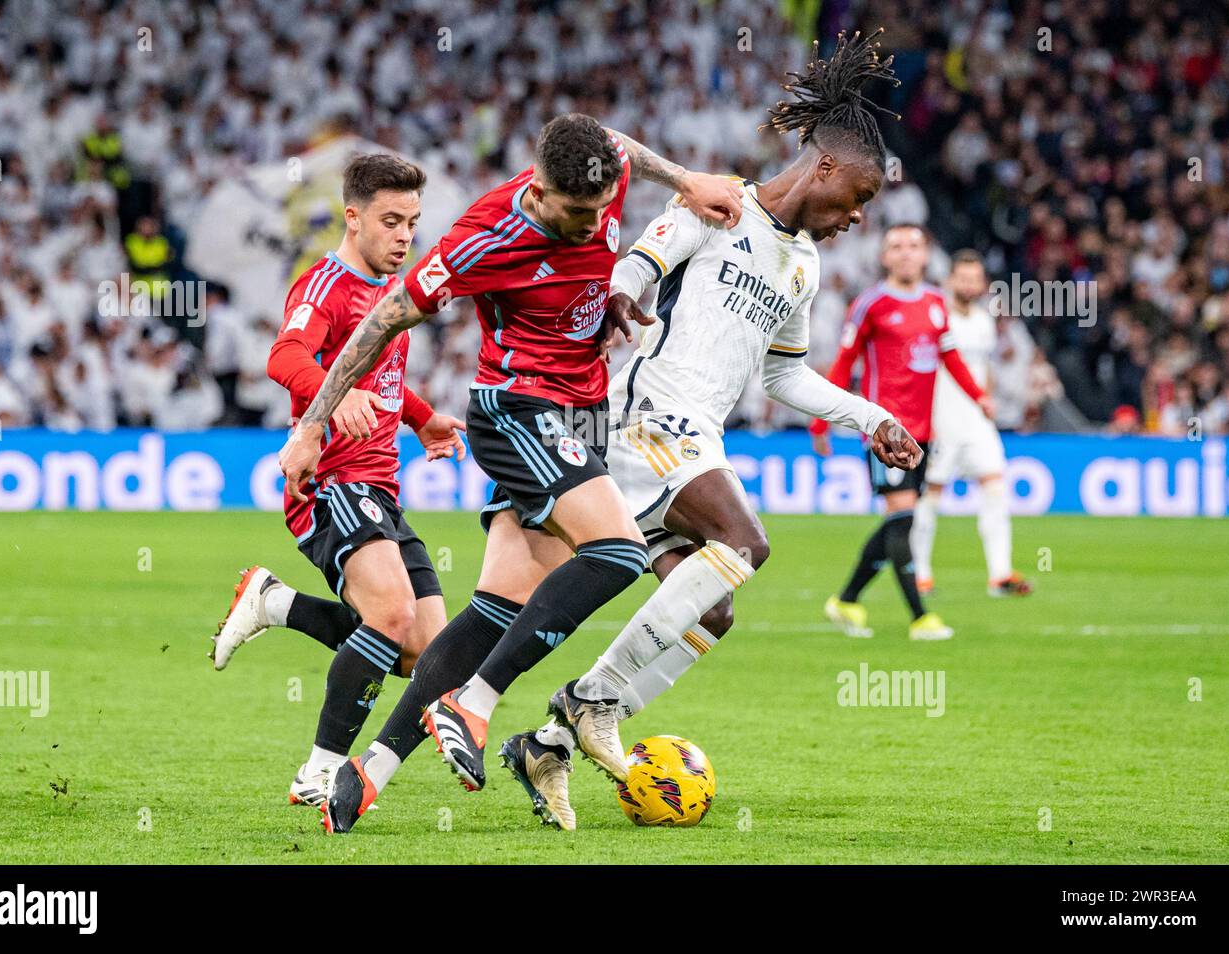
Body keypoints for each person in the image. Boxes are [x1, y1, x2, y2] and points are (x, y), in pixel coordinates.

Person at [274, 113, 744, 833]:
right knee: (616, 553)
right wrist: (311, 425)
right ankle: (475, 702)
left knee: (498, 605)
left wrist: (686, 181)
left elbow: (620, 144)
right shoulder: (482, 239)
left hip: (585, 411)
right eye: (576, 213)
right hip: (516, 407)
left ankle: (369, 773)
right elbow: (383, 322)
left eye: (601, 209)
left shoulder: (603, 176)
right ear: (540, 190)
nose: (592, 226)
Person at [504, 30, 923, 829]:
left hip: (697, 437)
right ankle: (588, 699)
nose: (858, 216)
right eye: (858, 197)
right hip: (646, 414)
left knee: (713, 613)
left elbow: (781, 374)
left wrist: (870, 417)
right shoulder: (720, 202)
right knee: (747, 541)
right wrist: (625, 294)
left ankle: (551, 743)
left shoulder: (805, 266)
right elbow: (641, 259)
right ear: (825, 168)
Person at [210, 154, 466, 806]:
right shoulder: (322, 285)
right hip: (329, 483)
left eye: (412, 221)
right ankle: (320, 771)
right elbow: (286, 355)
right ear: (352, 219)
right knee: (390, 615)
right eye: (390, 221)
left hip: (379, 485)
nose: (405, 235)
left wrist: (423, 416)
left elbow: (378, 380)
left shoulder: (391, 291)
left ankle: (275, 603)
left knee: (423, 657)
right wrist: (330, 395)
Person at [814, 223, 991, 641]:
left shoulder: (935, 303)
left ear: (926, 255)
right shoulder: (870, 304)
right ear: (885, 256)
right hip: (885, 433)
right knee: (904, 518)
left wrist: (978, 396)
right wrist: (821, 420)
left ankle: (847, 601)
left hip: (924, 432)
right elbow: (843, 363)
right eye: (897, 246)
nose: (907, 253)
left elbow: (950, 358)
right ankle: (919, 618)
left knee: (901, 521)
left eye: (914, 245)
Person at [911, 250, 1033, 598]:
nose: (968, 284)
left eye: (974, 279)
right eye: (962, 278)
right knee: (930, 496)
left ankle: (1000, 574)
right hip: (941, 421)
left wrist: (987, 400)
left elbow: (984, 369)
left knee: (995, 488)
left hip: (977, 422)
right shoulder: (936, 315)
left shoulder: (983, 321)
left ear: (982, 283)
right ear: (951, 281)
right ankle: (920, 574)